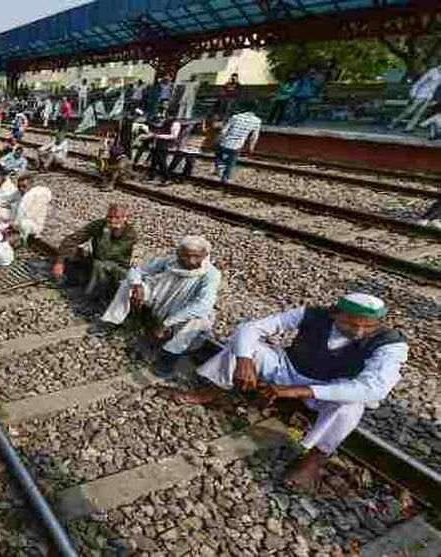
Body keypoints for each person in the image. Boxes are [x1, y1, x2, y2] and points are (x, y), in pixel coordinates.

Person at [178, 293, 408, 492]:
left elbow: (373, 388)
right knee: (245, 348)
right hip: (288, 369)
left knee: (350, 406)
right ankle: (215, 390)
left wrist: (300, 391)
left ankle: (316, 457)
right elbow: (251, 327)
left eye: (368, 326)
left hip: (328, 388)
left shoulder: (391, 344)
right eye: (351, 324)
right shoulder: (312, 314)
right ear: (335, 314)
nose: (359, 331)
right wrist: (244, 360)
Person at [93, 235, 221, 377]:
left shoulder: (211, 274)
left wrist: (167, 323)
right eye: (186, 256)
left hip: (181, 310)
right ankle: (111, 320)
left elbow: (203, 305)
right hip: (159, 299)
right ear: (179, 253)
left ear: (205, 255)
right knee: (127, 285)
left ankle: (169, 356)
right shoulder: (170, 261)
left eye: (196, 256)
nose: (191, 261)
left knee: (199, 319)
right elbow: (136, 271)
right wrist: (137, 285)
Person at [53, 203, 136, 300]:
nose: (112, 221)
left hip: (117, 268)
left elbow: (104, 255)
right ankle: (74, 279)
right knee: (75, 252)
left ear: (125, 218)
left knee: (100, 264)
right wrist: (60, 262)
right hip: (96, 261)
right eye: (109, 217)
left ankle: (89, 297)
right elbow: (72, 239)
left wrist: (106, 232)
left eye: (117, 218)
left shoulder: (130, 234)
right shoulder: (99, 224)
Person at [214, 108, 261, 182]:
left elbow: (224, 131)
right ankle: (225, 178)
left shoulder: (235, 117)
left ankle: (219, 165)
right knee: (231, 163)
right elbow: (254, 137)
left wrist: (218, 139)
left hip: (225, 143)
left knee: (218, 153)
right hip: (237, 146)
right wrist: (251, 147)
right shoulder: (257, 121)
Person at [390, 64, 441, 133]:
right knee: (409, 111)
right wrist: (413, 93)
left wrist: (435, 99)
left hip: (429, 97)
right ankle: (394, 123)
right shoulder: (433, 71)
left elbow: (438, 88)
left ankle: (409, 128)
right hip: (421, 94)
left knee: (419, 113)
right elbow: (420, 82)